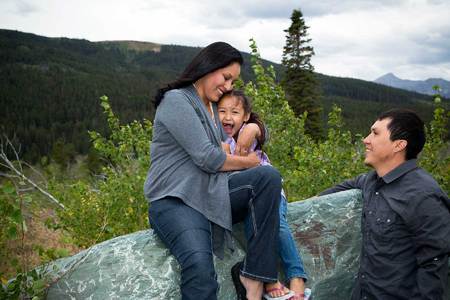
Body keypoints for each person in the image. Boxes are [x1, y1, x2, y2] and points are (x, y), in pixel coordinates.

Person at [144, 42, 283, 300]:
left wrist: (256, 128)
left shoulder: (211, 106)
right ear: (208, 66)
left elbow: (238, 134)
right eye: (226, 77)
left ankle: (253, 276)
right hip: (176, 201)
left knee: (269, 178)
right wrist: (249, 162)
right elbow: (208, 158)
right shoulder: (176, 100)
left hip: (210, 194)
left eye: (232, 81)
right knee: (199, 266)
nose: (228, 87)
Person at [319, 109, 450, 300]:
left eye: (375, 133)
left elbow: (435, 265)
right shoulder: (371, 181)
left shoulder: (424, 195)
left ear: (399, 145)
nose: (366, 139)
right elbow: (325, 198)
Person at [218, 90, 309, 300]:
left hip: (271, 192)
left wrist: (254, 127)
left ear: (246, 116)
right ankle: (268, 278)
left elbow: (261, 132)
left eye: (234, 112)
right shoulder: (219, 137)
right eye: (222, 111)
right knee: (256, 223)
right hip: (249, 196)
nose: (227, 117)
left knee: (277, 224)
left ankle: (296, 275)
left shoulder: (246, 132)